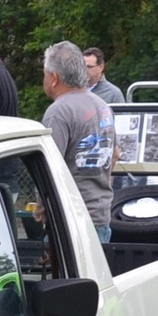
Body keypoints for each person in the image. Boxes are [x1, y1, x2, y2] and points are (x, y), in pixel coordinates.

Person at [41, 41, 115, 240]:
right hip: (100, 215)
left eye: (45, 74)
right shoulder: (103, 106)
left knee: (67, 273)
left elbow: (49, 167)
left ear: (54, 78)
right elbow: (114, 155)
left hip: (70, 222)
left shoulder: (59, 111)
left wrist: (42, 207)